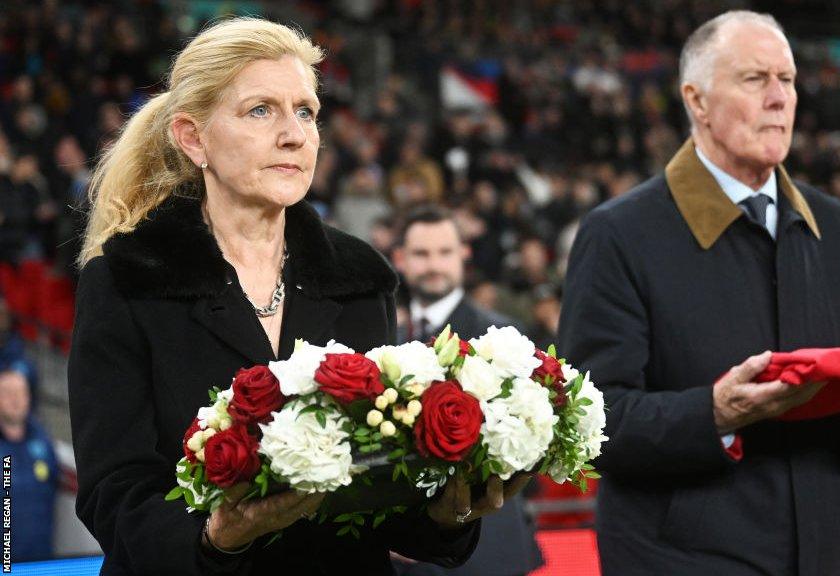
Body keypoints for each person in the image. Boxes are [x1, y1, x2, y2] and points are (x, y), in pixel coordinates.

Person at [68, 18, 528, 576]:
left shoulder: (360, 276)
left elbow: (378, 490)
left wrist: (448, 515)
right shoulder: (127, 277)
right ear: (194, 138)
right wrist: (216, 541)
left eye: (306, 111)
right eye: (261, 110)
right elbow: (113, 488)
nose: (294, 134)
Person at [559, 11, 840, 576]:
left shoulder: (835, 228)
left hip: (822, 555)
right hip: (676, 560)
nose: (778, 98)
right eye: (754, 79)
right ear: (697, 102)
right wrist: (713, 413)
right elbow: (590, 422)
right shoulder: (619, 233)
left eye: (786, 80)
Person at [391, 204, 544, 576]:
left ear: (464, 254)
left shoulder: (504, 339)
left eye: (444, 252)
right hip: (405, 557)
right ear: (400, 259)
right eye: (421, 254)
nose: (433, 265)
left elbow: (531, 450)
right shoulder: (386, 340)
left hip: (488, 549)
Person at [0, 367, 58, 562]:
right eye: (8, 394)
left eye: (21, 393)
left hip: (41, 559)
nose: (16, 400)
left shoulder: (43, 442)